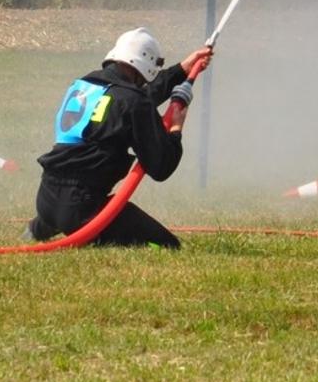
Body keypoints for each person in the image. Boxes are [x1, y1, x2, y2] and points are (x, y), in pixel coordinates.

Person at [27, 27, 212, 249]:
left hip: (46, 201)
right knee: (167, 247)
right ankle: (79, 231)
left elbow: (132, 101)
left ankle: (33, 231)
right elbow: (161, 167)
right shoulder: (133, 101)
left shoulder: (85, 85)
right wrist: (175, 129)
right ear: (145, 67)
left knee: (65, 213)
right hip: (83, 210)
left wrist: (181, 70)